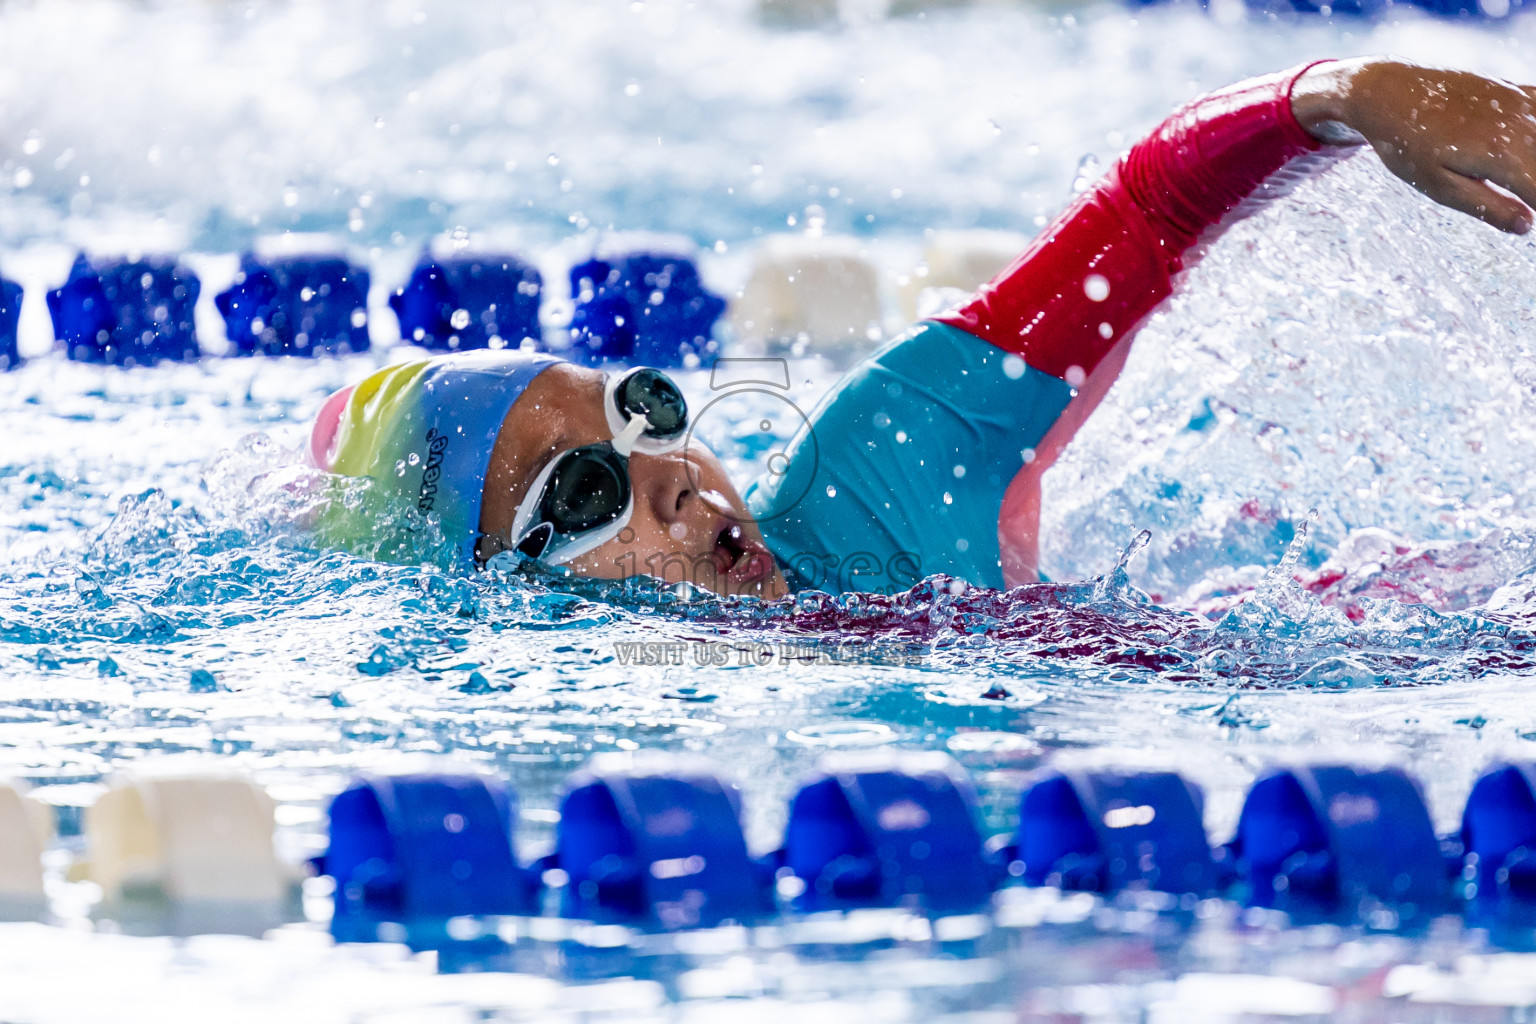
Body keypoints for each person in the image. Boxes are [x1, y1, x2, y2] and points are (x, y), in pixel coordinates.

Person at [309, 57, 1536, 600]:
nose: (675, 480)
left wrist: (1350, 95)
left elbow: (1143, 209)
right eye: (582, 493)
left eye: (643, 414)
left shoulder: (886, 474)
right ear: (491, 596)